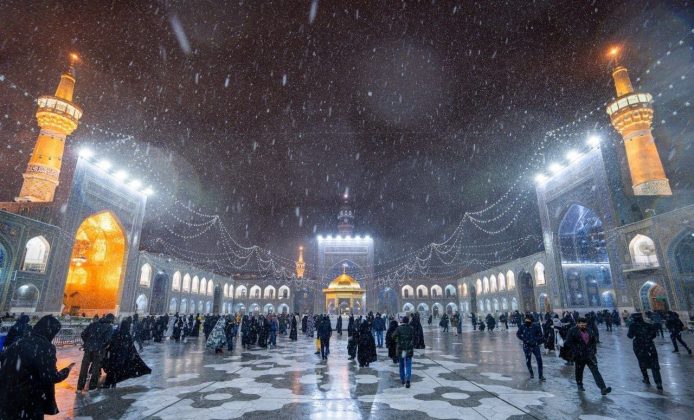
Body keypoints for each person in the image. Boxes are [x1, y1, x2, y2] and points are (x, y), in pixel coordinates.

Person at [0, 315, 74, 419]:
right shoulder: (45, 347)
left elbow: (4, 361)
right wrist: (67, 370)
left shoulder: (18, 343)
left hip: (6, 399)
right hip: (28, 403)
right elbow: (50, 377)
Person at [565, 317, 612, 395]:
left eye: (584, 324)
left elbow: (593, 341)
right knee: (579, 371)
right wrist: (576, 350)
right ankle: (579, 384)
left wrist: (593, 350)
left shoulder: (589, 330)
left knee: (595, 371)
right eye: (581, 324)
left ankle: (603, 388)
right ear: (578, 323)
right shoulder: (572, 331)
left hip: (590, 355)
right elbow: (568, 342)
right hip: (579, 355)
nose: (583, 326)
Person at [103, 318, 151, 388]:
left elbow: (111, 343)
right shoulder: (126, 335)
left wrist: (108, 351)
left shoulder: (117, 333)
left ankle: (108, 383)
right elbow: (131, 347)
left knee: (112, 370)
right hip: (121, 356)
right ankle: (113, 383)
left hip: (114, 355)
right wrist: (132, 355)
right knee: (117, 370)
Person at [77, 313, 114, 392]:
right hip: (99, 350)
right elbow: (107, 340)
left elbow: (83, 334)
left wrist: (88, 343)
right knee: (95, 369)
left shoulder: (94, 324)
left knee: (84, 368)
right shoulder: (109, 327)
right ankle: (92, 387)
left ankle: (80, 387)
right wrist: (102, 346)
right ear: (111, 320)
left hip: (88, 349)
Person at [627, 313, 663, 390]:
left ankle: (646, 378)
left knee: (642, 362)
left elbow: (630, 336)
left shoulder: (633, 326)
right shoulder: (648, 325)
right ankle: (658, 382)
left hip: (639, 346)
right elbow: (654, 335)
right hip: (649, 345)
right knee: (654, 364)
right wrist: (648, 338)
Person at [516, 314, 545, 381]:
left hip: (535, 346)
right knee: (528, 360)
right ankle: (531, 373)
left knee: (539, 360)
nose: (527, 321)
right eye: (526, 320)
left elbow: (541, 335)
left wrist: (535, 340)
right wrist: (524, 339)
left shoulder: (536, 326)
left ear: (532, 321)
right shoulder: (523, 326)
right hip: (527, 346)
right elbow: (518, 334)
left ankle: (540, 375)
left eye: (529, 320)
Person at [393, 316, 415, 388]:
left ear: (403, 321)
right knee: (408, 365)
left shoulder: (399, 328)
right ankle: (408, 380)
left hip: (401, 350)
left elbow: (393, 336)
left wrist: (398, 340)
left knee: (402, 365)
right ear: (408, 321)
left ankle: (403, 379)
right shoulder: (411, 328)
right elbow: (415, 337)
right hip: (409, 349)